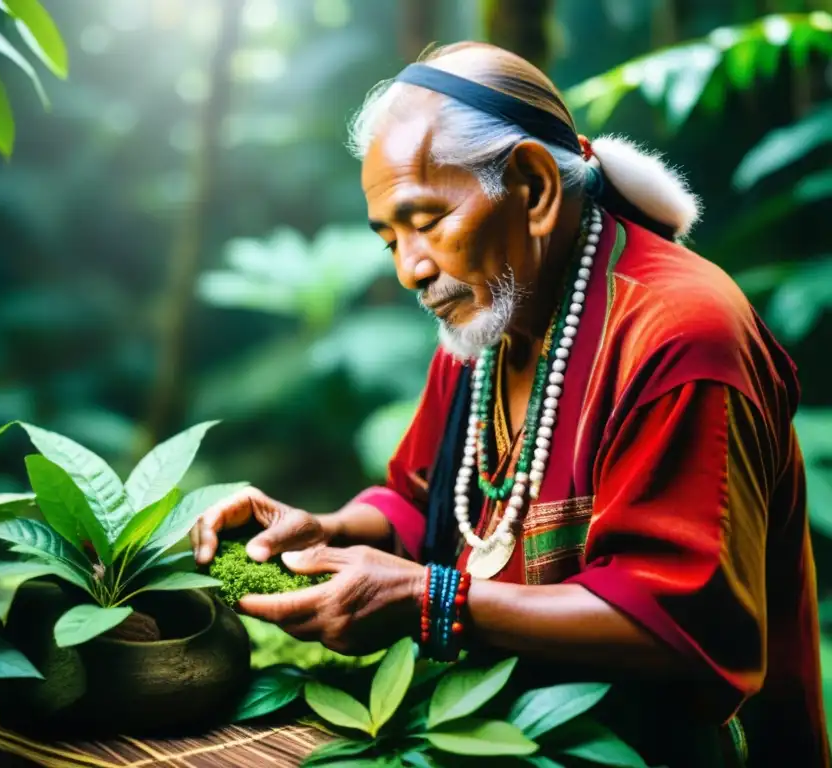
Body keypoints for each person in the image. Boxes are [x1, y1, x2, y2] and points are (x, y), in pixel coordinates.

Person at [192, 42, 829, 767]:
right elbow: (422, 503)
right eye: (390, 237)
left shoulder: (681, 338)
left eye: (426, 220)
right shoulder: (487, 320)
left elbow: (683, 628)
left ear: (531, 187)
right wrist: (325, 532)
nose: (409, 269)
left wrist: (431, 602)